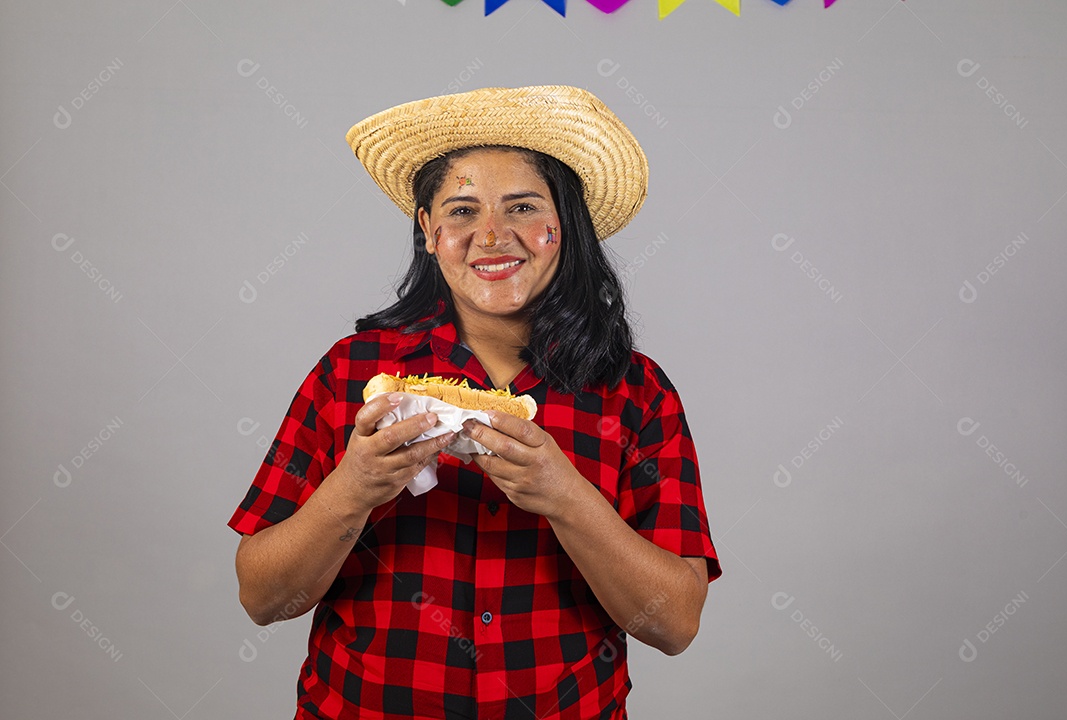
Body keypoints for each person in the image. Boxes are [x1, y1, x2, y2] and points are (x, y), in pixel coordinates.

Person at [228, 85, 721, 720]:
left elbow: (675, 625)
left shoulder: (637, 393)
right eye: (462, 211)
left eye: (523, 207)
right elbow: (262, 599)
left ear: (565, 228)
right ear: (429, 233)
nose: (491, 235)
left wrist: (565, 496)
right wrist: (353, 488)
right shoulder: (352, 373)